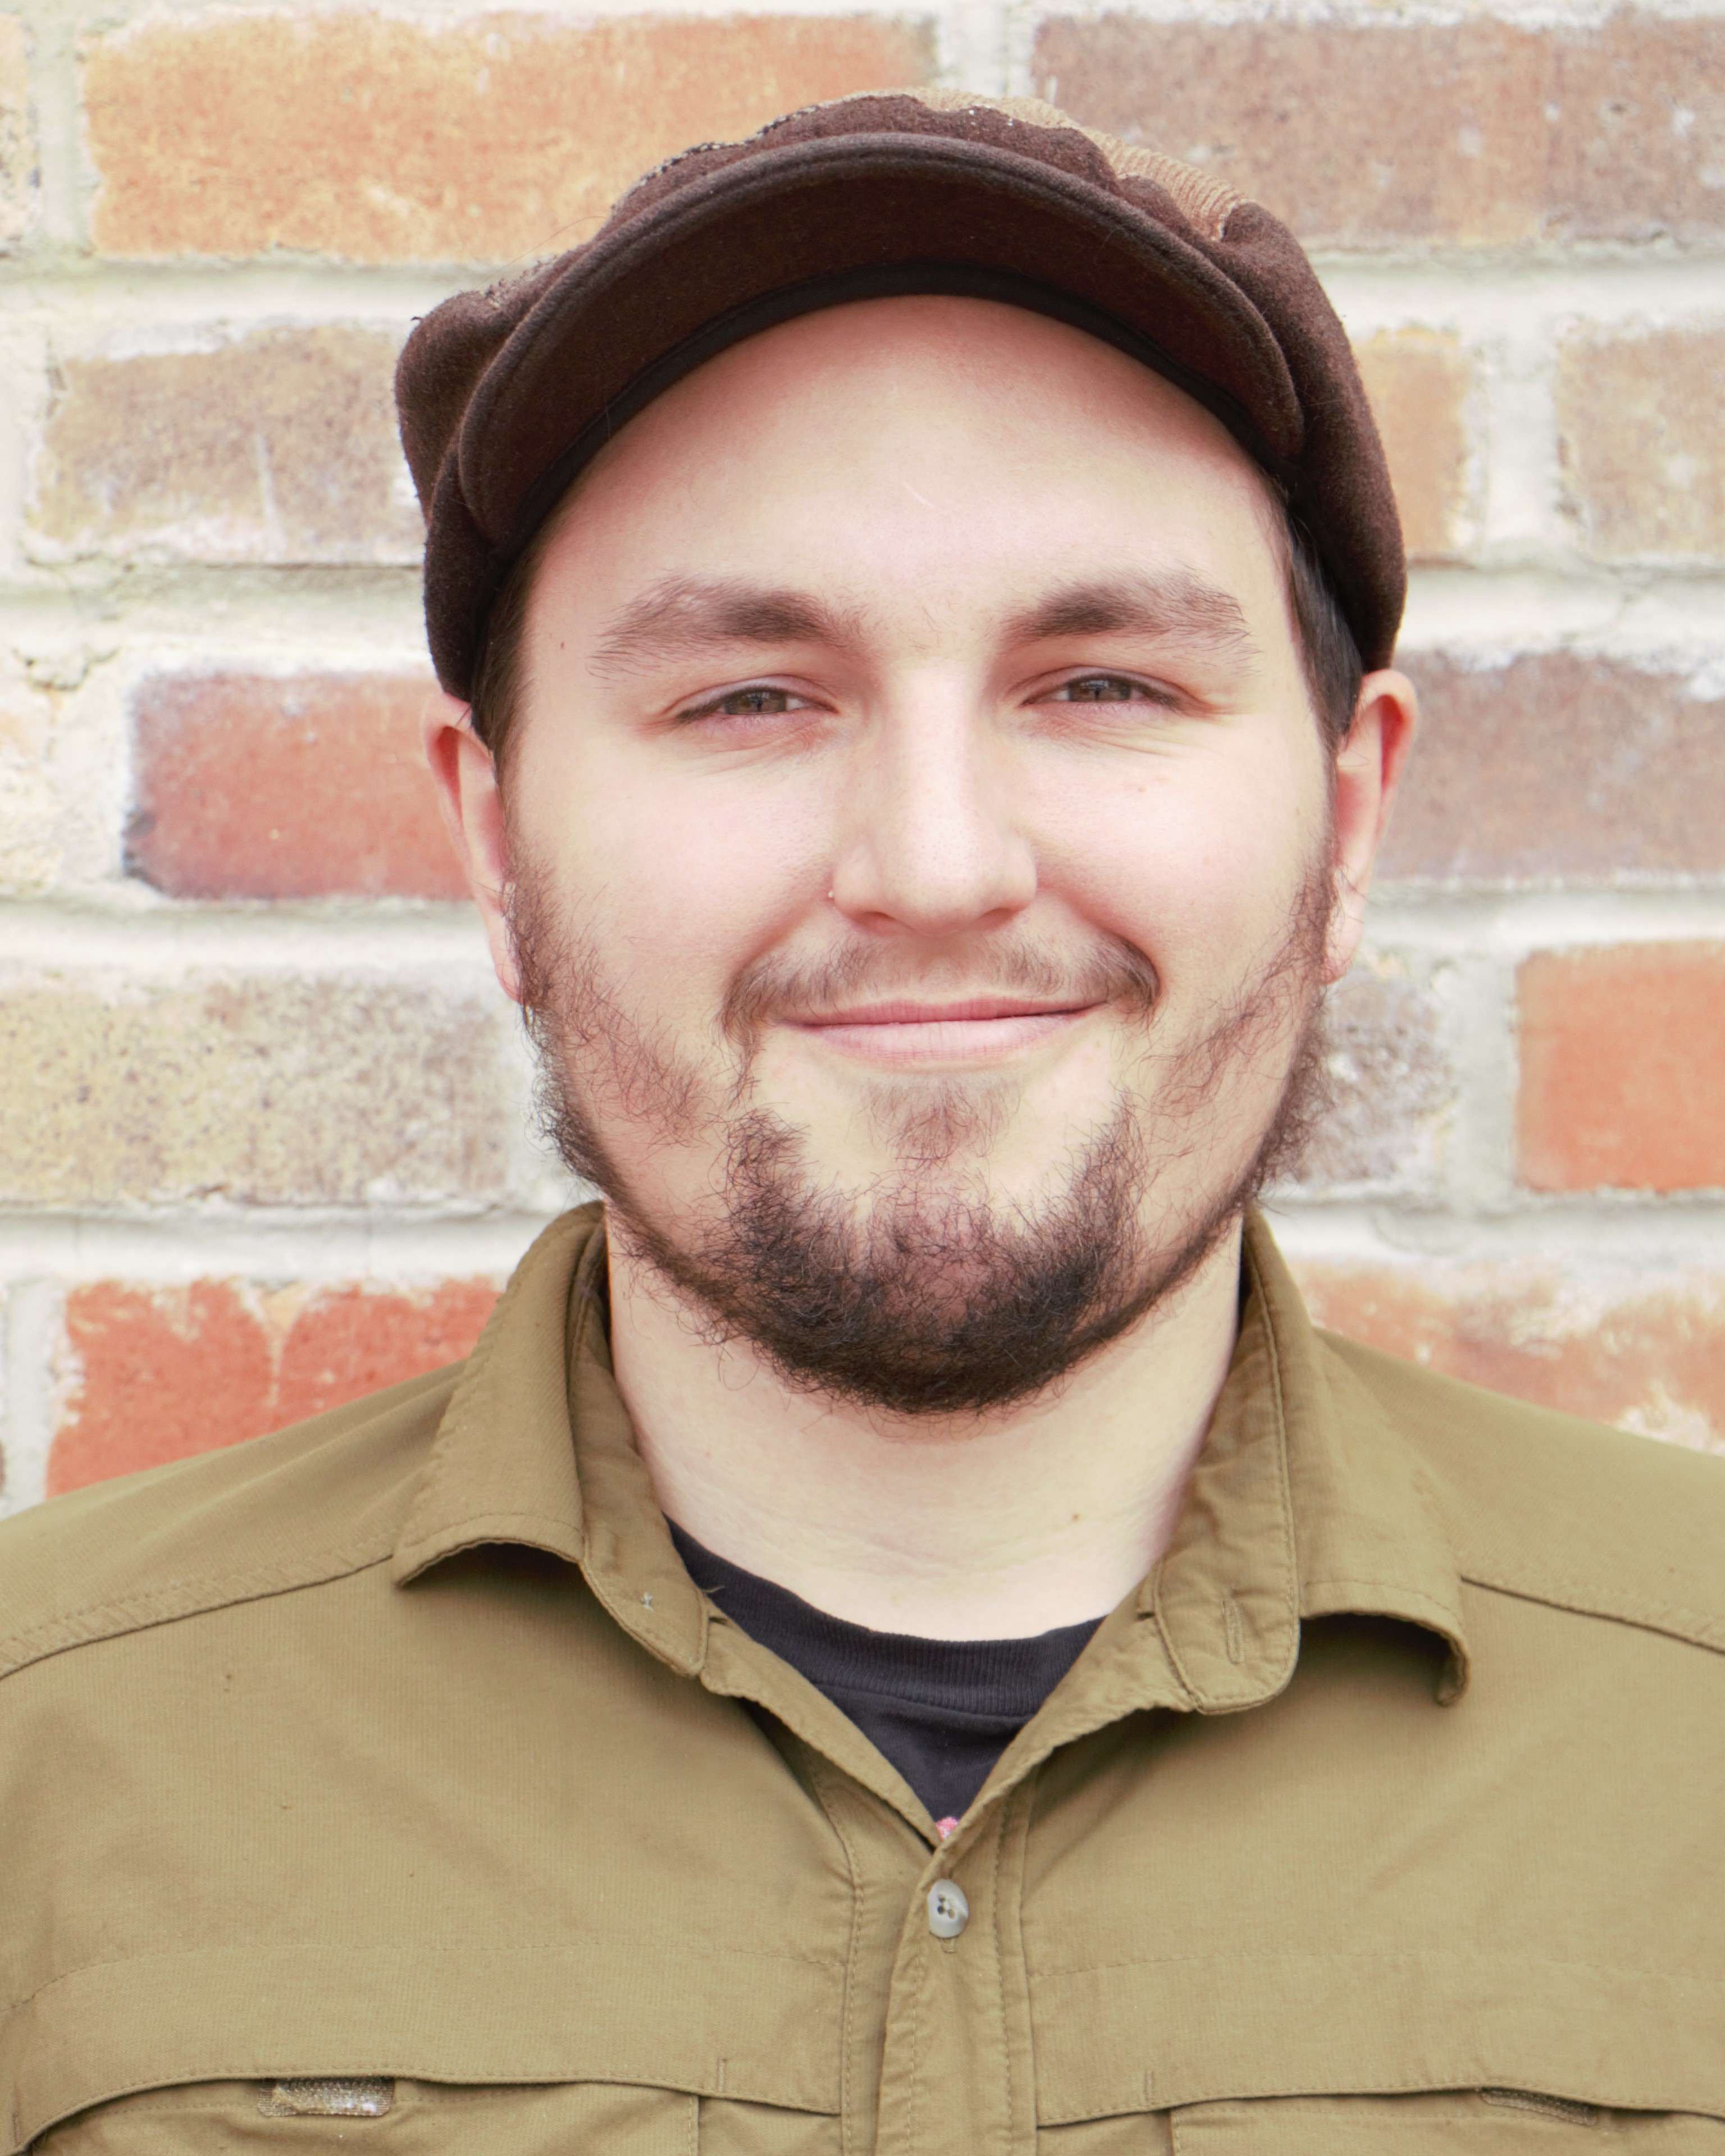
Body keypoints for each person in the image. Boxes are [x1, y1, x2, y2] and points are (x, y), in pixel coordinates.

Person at [3, 90, 1721, 2155]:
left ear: (1347, 822)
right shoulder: (49, 1755)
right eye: (750, 698)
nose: (934, 866)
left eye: (1100, 683)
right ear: (494, 846)